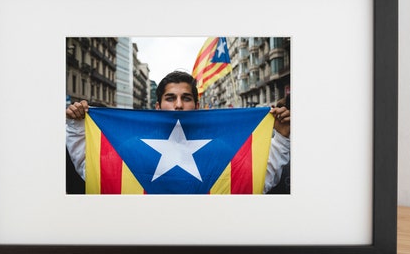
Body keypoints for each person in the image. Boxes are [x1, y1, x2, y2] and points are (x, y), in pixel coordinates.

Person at [66, 70, 290, 193]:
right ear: (158, 106)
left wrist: (281, 137)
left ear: (197, 105)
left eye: (186, 98)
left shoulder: (221, 149)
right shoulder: (131, 147)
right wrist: (76, 126)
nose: (179, 105)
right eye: (170, 98)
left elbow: (257, 181)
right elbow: (95, 173)